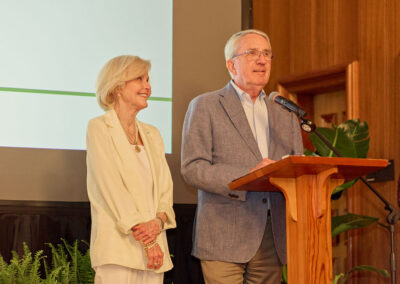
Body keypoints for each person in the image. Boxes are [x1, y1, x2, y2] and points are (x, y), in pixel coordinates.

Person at [181, 29, 303, 284]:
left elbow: (297, 167)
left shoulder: (285, 112)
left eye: (267, 54)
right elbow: (193, 167)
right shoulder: (205, 105)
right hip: (223, 231)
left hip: (272, 234)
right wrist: (246, 176)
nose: (262, 60)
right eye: (252, 53)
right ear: (231, 64)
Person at [86, 55, 176, 284]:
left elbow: (165, 190)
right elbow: (111, 188)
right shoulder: (99, 128)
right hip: (118, 248)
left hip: (154, 251)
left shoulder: (153, 134)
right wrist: (147, 239)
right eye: (139, 79)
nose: (148, 86)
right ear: (117, 86)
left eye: (148, 79)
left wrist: (157, 224)